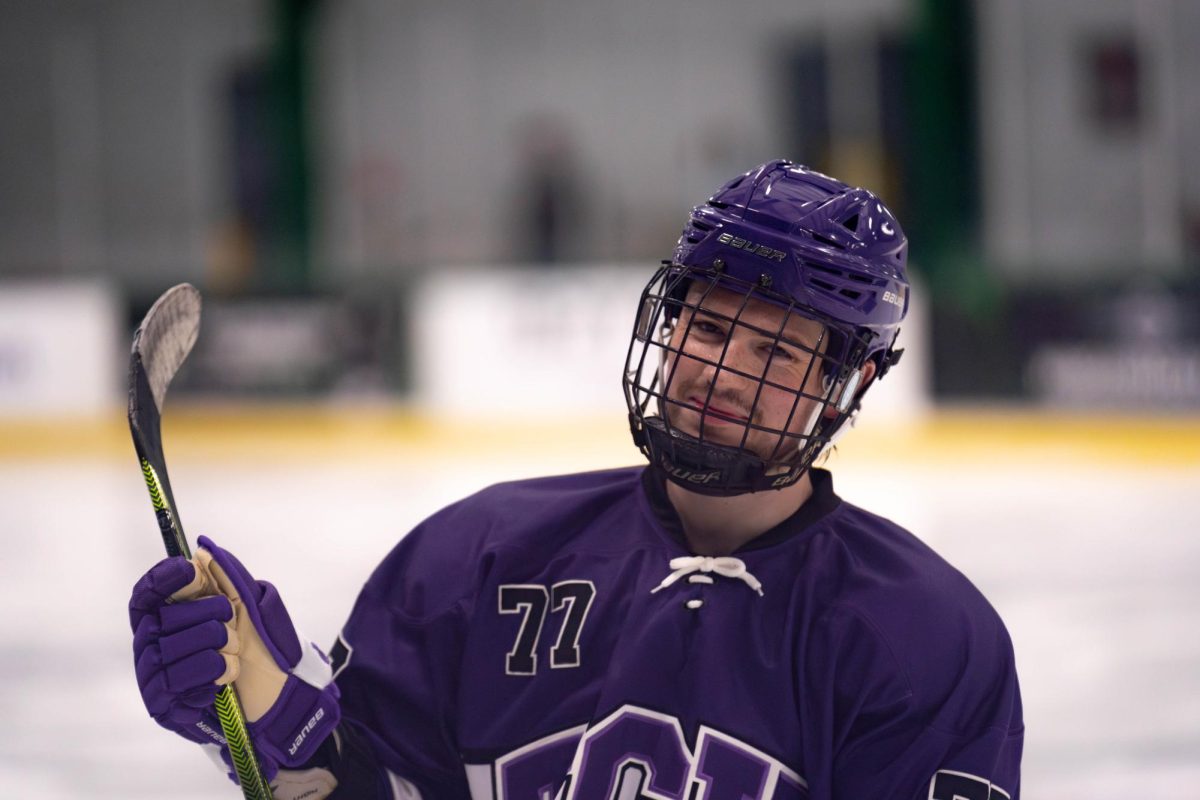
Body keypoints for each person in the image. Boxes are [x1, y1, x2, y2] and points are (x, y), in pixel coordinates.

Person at [129, 160, 1023, 799]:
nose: (722, 372)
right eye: (708, 331)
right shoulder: (473, 560)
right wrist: (272, 723)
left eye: (776, 350)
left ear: (850, 384)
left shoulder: (925, 639)